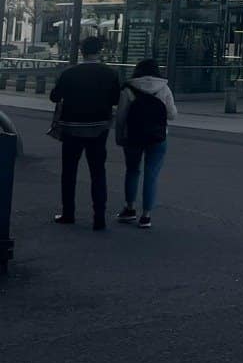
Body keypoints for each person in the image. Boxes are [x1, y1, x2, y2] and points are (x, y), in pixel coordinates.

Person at [49, 35, 122, 230]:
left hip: (72, 127)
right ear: (100, 52)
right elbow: (116, 99)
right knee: (98, 172)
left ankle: (68, 213)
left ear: (82, 52)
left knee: (69, 172)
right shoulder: (110, 73)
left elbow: (54, 96)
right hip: (99, 127)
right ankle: (99, 218)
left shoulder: (70, 73)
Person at [115, 58, 176, 229]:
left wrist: (119, 137)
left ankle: (130, 208)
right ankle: (146, 215)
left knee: (132, 171)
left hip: (133, 137)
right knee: (151, 175)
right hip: (158, 137)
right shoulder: (164, 88)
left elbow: (121, 117)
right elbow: (172, 114)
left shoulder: (128, 89)